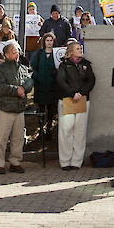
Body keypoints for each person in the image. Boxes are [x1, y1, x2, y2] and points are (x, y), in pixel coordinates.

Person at [0, 42, 34, 174]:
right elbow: (0, 86)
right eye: (13, 52)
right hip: (4, 108)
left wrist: (24, 88)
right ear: (6, 54)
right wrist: (17, 90)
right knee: (1, 139)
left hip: (19, 108)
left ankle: (15, 162)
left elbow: (29, 81)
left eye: (18, 52)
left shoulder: (23, 68)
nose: (17, 54)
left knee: (18, 138)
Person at [55, 40, 96, 170]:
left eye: (80, 48)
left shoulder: (86, 64)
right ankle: (65, 161)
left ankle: (76, 161)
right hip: (67, 100)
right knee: (65, 131)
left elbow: (91, 80)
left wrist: (81, 93)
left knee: (80, 132)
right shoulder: (64, 65)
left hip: (83, 100)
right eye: (77, 49)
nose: (80, 50)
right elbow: (61, 80)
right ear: (71, 51)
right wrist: (72, 93)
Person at [30, 32, 58, 139]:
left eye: (51, 40)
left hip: (52, 87)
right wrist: (37, 77)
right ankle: (41, 130)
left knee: (51, 110)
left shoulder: (56, 53)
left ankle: (49, 129)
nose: (49, 42)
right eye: (47, 40)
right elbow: (33, 66)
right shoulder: (39, 53)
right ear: (44, 42)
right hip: (40, 86)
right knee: (41, 110)